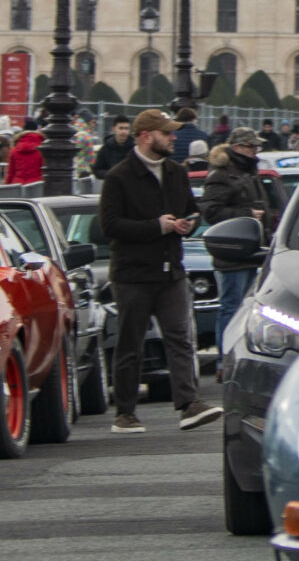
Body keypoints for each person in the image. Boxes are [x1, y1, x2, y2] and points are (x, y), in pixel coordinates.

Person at [98, 108, 218, 433]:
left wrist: (187, 225)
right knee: (130, 343)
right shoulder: (119, 176)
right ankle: (125, 413)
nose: (173, 137)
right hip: (133, 275)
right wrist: (156, 226)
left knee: (180, 337)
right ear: (146, 136)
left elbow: (191, 212)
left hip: (171, 272)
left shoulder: (176, 173)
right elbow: (110, 226)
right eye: (167, 133)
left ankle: (189, 404)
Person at [200, 133, 268, 349]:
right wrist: (246, 213)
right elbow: (210, 212)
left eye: (257, 148)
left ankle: (242, 353)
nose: (255, 152)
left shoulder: (249, 172)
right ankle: (225, 359)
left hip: (252, 252)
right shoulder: (221, 175)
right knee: (231, 308)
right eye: (251, 147)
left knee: (248, 310)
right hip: (231, 252)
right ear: (238, 147)